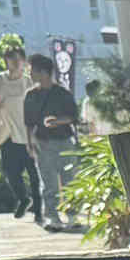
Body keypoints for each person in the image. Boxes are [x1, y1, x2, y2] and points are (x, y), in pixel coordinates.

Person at [23, 54, 84, 233]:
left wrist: (57, 121)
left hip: (64, 141)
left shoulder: (62, 93)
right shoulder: (31, 95)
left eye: (32, 70)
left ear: (43, 72)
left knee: (69, 180)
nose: (30, 74)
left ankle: (73, 215)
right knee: (48, 182)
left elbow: (73, 117)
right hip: (42, 142)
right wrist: (29, 143)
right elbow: (28, 122)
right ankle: (52, 216)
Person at [0, 38, 41, 222]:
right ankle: (23, 199)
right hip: (8, 132)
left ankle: (39, 210)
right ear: (6, 61)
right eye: (11, 59)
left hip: (28, 135)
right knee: (11, 172)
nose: (15, 63)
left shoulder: (28, 82)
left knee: (34, 174)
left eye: (18, 59)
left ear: (24, 61)